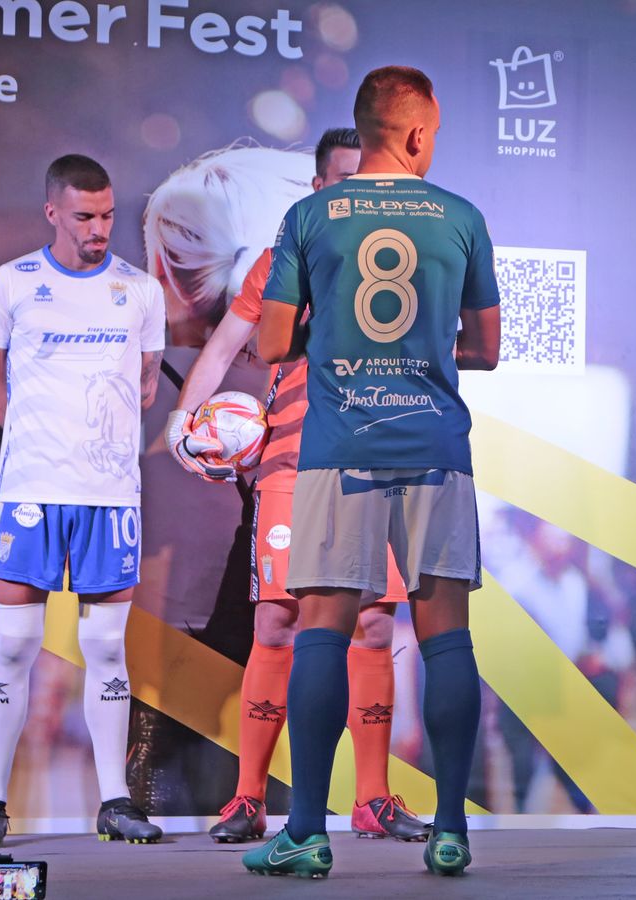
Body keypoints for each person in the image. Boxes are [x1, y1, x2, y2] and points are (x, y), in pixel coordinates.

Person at [240, 65, 500, 879]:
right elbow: (486, 350)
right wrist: (421, 354)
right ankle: (451, 829)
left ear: (364, 129)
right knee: (444, 634)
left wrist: (338, 342)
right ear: (419, 134)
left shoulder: (310, 215)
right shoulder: (460, 216)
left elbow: (271, 344)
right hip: (433, 448)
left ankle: (307, 832)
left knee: (322, 627)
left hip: (339, 446)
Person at [166, 130, 430, 843]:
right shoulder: (282, 262)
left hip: (382, 467)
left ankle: (372, 798)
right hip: (292, 463)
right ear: (318, 188)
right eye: (345, 179)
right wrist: (183, 422)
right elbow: (224, 346)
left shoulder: (405, 261)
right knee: (277, 622)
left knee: (374, 624)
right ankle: (247, 798)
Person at [0, 154, 167, 847]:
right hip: (32, 494)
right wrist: (34, 446)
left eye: (108, 215)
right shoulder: (11, 283)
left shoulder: (139, 290)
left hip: (110, 499)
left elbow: (143, 386)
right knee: (15, 645)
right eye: (84, 216)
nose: (99, 228)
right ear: (53, 212)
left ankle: (115, 801)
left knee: (107, 649)